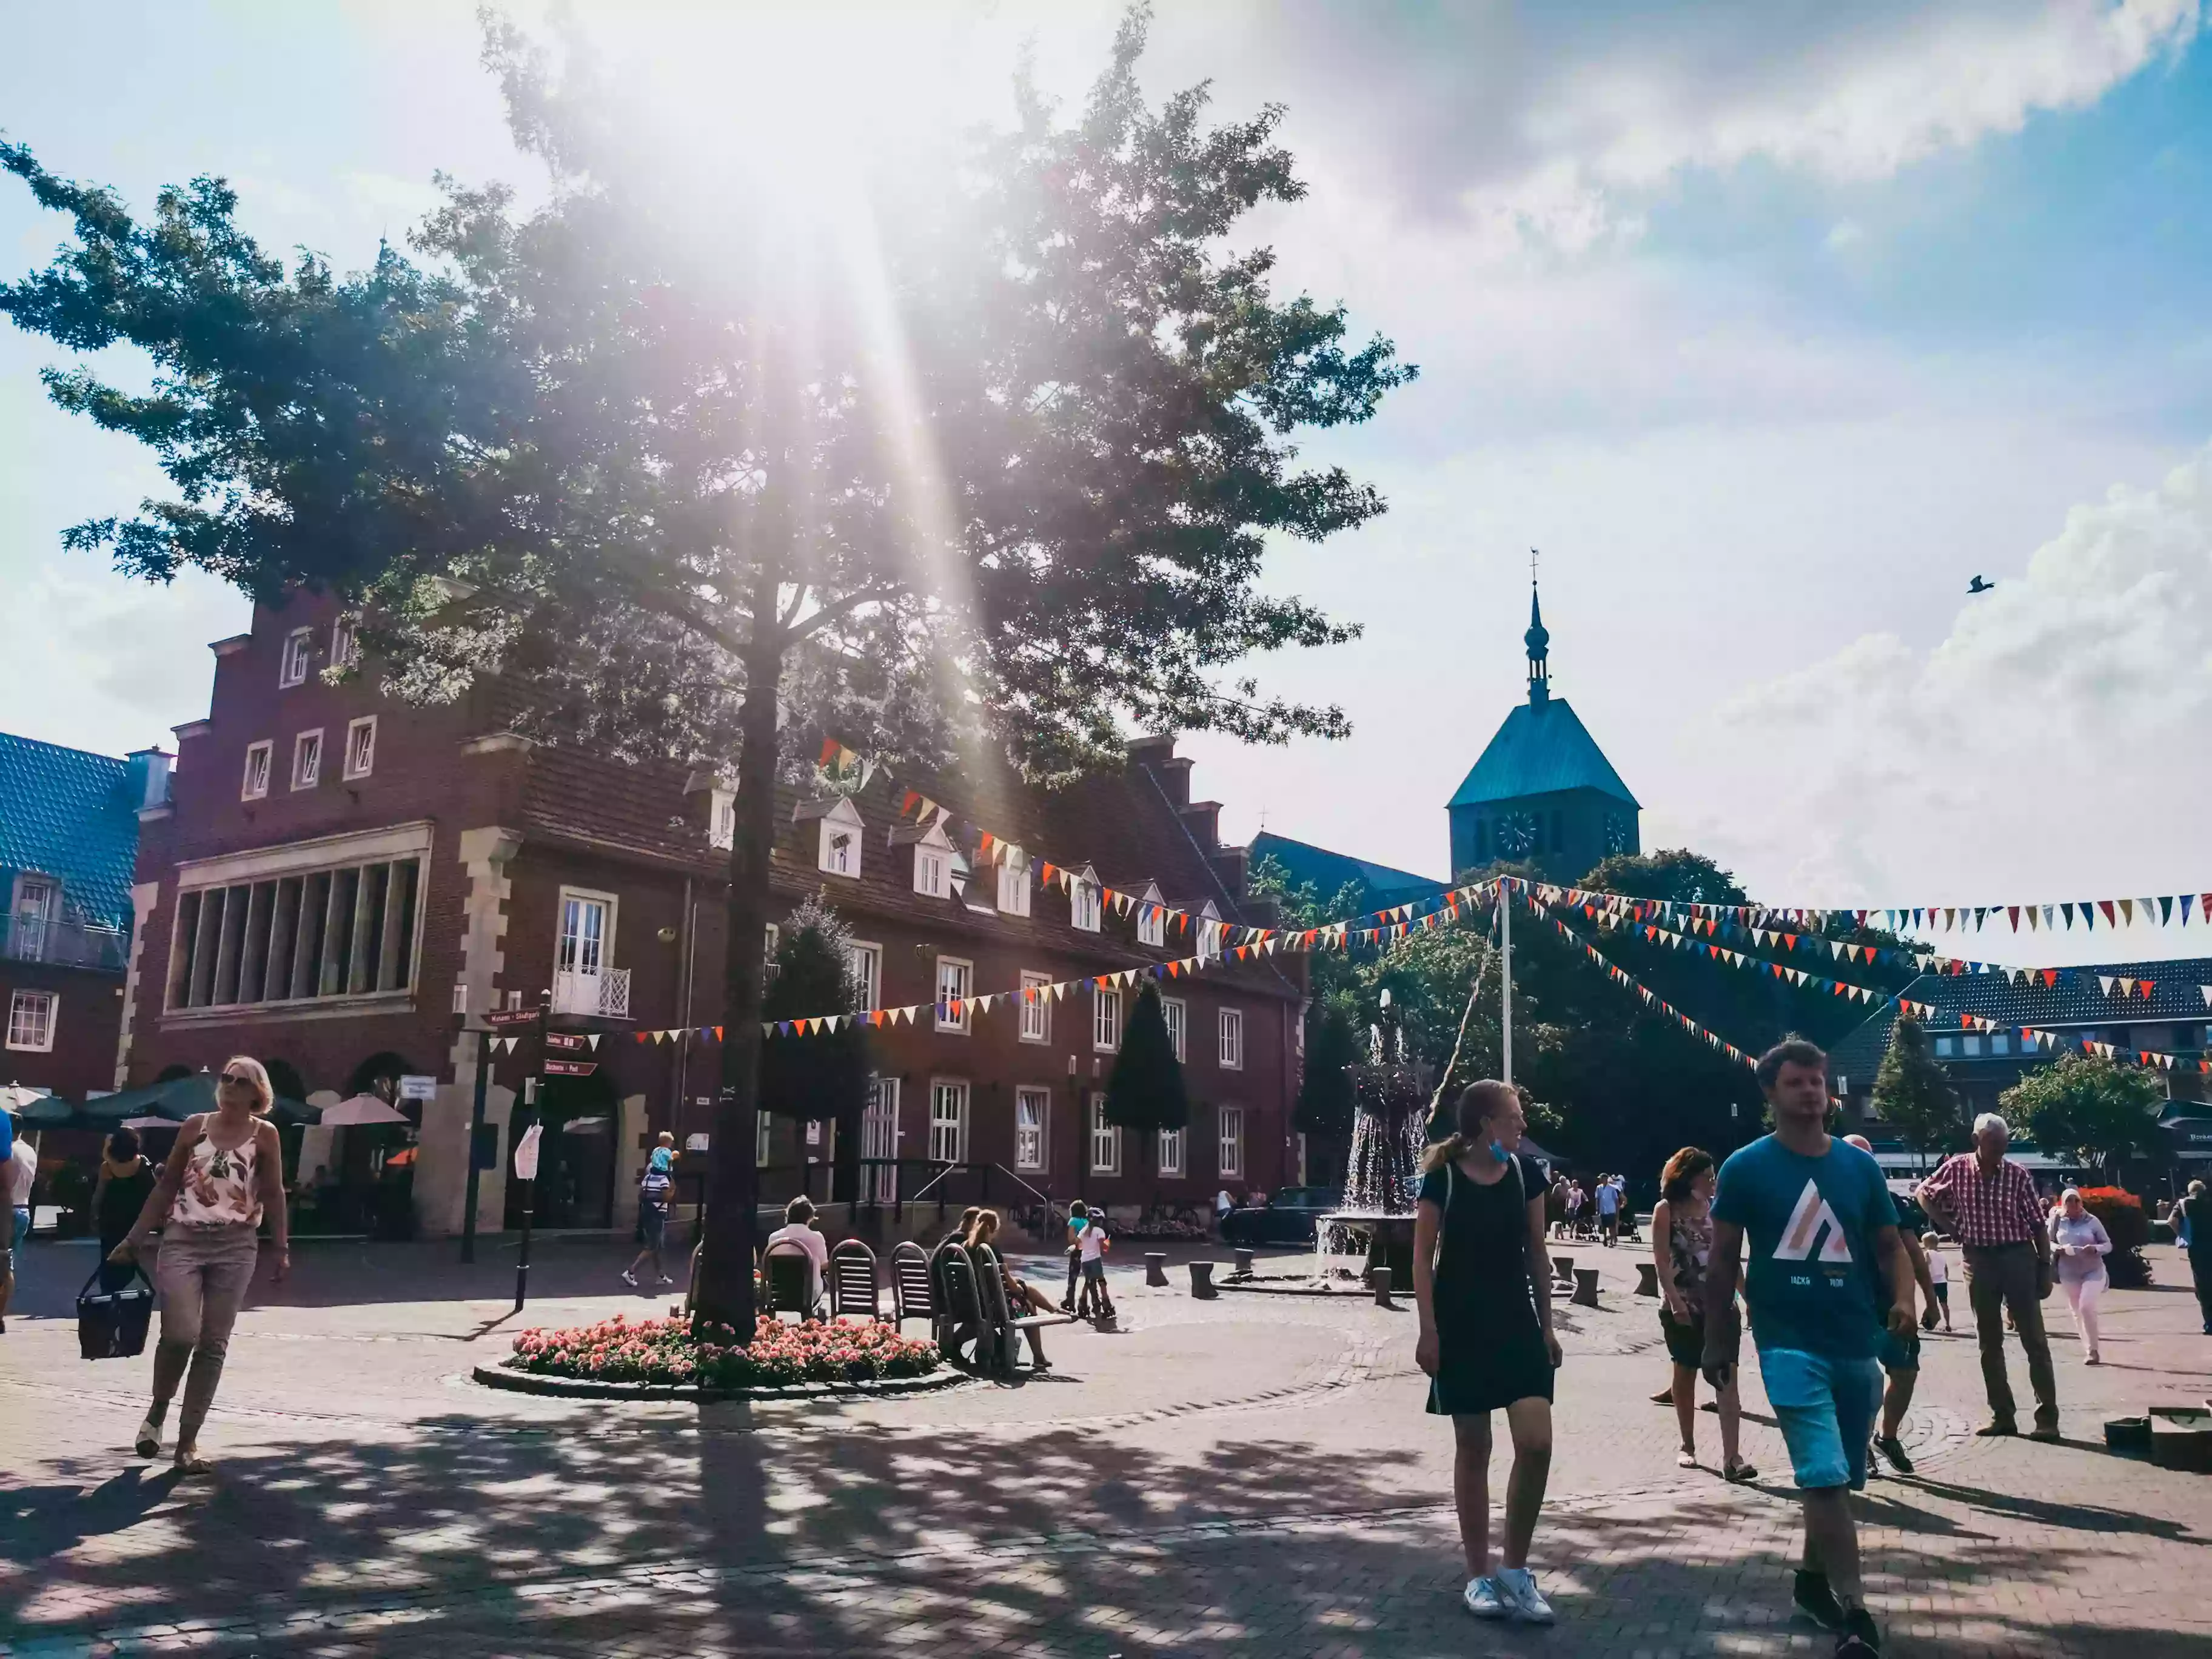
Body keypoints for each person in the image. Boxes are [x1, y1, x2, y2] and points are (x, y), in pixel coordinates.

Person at [1703, 1039, 1914, 1658]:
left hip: (1854, 1341)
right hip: (1786, 1343)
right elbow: (1721, 1260)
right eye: (1796, 1082)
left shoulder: (1859, 1168)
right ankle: (1856, 1613)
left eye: (1818, 1081)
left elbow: (1889, 1247)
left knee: (1840, 1481)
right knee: (1821, 1476)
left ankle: (1812, 1582)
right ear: (1770, 1093)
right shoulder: (1745, 1167)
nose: (1812, 1092)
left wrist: (1905, 1299)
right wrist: (1720, 1338)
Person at [1413, 1079, 1562, 1625]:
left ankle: (1515, 1571)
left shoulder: (1526, 1175)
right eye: (1515, 1118)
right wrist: (1428, 1331)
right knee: (1474, 1448)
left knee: (1537, 1443)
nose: (1523, 1127)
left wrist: (1548, 1326)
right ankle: (1478, 1576)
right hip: (1461, 1325)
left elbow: (1538, 1255)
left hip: (1516, 1325)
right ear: (1485, 1125)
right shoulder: (1443, 1177)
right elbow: (1421, 1259)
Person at [109, 1056, 290, 1475]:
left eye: (239, 1081)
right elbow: (168, 1185)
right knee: (181, 1333)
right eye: (226, 1078)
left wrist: (280, 1248)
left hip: (237, 1246)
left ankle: (187, 1443)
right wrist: (134, 1239)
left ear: (256, 1093)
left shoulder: (266, 1135)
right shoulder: (195, 1127)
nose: (228, 1085)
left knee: (213, 1343)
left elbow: (276, 1193)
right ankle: (157, 1410)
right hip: (183, 1240)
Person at [1914, 1112, 2059, 1439]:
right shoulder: (1956, 1168)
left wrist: (2045, 1268)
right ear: (1977, 1140)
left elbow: (2038, 1225)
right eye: (1993, 1145)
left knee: (2034, 1339)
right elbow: (1923, 1192)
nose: (1999, 1152)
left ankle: (2047, 1419)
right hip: (1978, 1260)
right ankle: (2002, 1416)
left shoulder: (2018, 1175)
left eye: (2003, 1145)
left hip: (2018, 1256)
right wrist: (1948, 1227)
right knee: (1988, 1342)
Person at [1652, 1147, 1754, 1481]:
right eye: (1708, 1177)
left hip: (1721, 1307)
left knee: (1727, 1377)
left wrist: (1747, 1297)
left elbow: (1728, 1258)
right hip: (1683, 1306)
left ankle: (1733, 1458)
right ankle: (1688, 1444)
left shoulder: (1718, 1210)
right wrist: (1675, 1302)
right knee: (1685, 1373)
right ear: (1688, 1177)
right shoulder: (1666, 1210)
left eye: (1715, 1177)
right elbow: (1661, 1262)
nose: (1713, 1183)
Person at [1841, 1137, 1937, 1478]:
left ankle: (1889, 1436)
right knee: (1862, 1380)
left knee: (1905, 1373)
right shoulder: (1834, 1202)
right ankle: (1860, 1442)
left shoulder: (1891, 1202)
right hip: (1852, 1305)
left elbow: (1913, 1253)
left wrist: (1930, 1299)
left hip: (1894, 1303)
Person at [965, 1209, 1053, 1370]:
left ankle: (1053, 1310)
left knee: (1025, 1294)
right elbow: (1009, 1286)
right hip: (992, 1308)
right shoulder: (990, 1251)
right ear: (995, 1229)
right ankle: (1038, 1354)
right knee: (1028, 1304)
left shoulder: (965, 1248)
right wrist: (1019, 1288)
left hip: (969, 1303)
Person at [2048, 1188, 2113, 1364]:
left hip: (2093, 1270)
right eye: (2069, 1201)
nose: (2074, 1205)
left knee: (2086, 1306)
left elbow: (2107, 1245)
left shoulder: (2092, 1221)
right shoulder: (2057, 1220)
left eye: (2076, 1201)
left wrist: (2095, 1248)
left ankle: (2094, 1349)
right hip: (2068, 1272)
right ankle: (2089, 1350)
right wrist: (2058, 1249)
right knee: (2077, 1311)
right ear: (2064, 1203)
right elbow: (2048, 1242)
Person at [93, 1127, 158, 1294]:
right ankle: (137, 1296)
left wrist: (93, 1216)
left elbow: (99, 1195)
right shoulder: (143, 1163)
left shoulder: (107, 1167)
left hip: (111, 1222)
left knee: (110, 1261)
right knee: (136, 1261)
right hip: (137, 1221)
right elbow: (155, 1191)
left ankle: (110, 1297)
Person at [764, 1195, 830, 1309]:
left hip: (779, 1294)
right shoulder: (817, 1238)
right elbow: (824, 1265)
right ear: (810, 1218)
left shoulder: (774, 1238)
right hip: (808, 1294)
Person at [0, 1109, 33, 1335]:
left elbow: (6, 1182)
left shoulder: (9, 1151)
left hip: (9, 1208)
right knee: (7, 1265)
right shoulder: (30, 1150)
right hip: (24, 1208)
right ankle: (1, 1314)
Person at [623, 1150, 677, 1287]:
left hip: (646, 1213)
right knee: (652, 1246)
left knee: (657, 1246)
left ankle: (661, 1275)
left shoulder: (647, 1178)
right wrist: (672, 1190)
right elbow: (667, 1198)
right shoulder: (664, 1180)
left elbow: (641, 1196)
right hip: (657, 1216)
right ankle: (631, 1272)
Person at [2176, 1180, 2212, 1333]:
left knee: (2203, 1285)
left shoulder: (2184, 1204)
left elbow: (2172, 1221)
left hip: (2197, 1247)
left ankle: (2210, 1323)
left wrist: (2182, 1235)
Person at [1074, 1202, 1114, 1323]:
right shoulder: (1099, 1231)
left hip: (1085, 1261)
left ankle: (1083, 1305)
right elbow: (1104, 1247)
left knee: (1089, 1283)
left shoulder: (1082, 1231)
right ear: (1098, 1221)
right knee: (1102, 1282)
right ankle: (1106, 1305)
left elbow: (1079, 1246)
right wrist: (1108, 1243)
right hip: (1095, 1260)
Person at [1920, 1232, 1952, 1332]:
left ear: (1927, 1244)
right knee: (1944, 1304)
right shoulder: (1942, 1254)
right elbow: (1946, 1268)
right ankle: (1948, 1324)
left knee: (1930, 1302)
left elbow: (1926, 1266)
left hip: (1932, 1282)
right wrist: (1946, 1278)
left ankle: (1927, 1321)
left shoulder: (1928, 1253)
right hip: (1942, 1282)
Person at [1062, 1201, 1088, 1312]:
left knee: (1073, 1277)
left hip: (1077, 1251)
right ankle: (1084, 1300)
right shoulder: (1087, 1221)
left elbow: (1071, 1238)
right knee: (1088, 1276)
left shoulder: (1073, 1220)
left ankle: (1070, 1301)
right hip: (1088, 1251)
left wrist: (1074, 1243)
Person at [1595, 1171, 1621, 1247]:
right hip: (1603, 1209)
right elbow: (1598, 1198)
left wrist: (1617, 1210)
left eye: (1601, 1178)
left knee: (1611, 1226)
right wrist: (1597, 1209)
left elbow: (1616, 1200)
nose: (1600, 1180)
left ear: (1605, 1179)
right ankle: (1605, 1239)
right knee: (1603, 1226)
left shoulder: (1612, 1188)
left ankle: (1612, 1241)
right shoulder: (1599, 1188)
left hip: (1611, 1209)